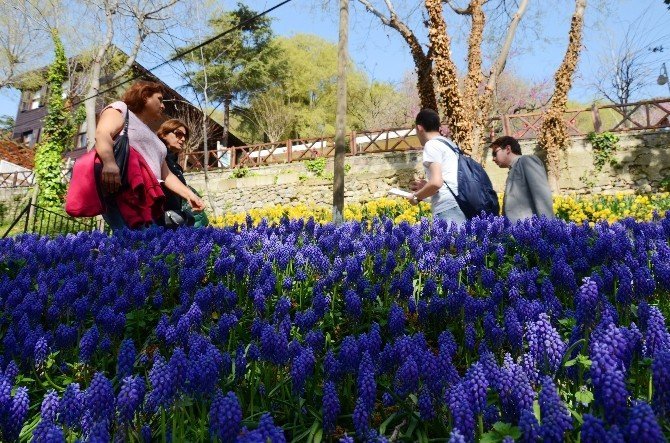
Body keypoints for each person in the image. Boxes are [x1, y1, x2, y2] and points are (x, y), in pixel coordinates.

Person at [95, 81, 205, 230]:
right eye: (159, 99)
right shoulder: (121, 109)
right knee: (135, 242)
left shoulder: (152, 135)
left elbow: (166, 174)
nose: (163, 106)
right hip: (123, 189)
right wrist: (109, 163)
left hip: (148, 198)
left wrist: (189, 194)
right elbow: (103, 133)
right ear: (145, 96)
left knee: (147, 245)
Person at [408, 108, 467, 223]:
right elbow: (447, 179)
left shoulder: (431, 145)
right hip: (461, 203)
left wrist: (416, 197)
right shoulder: (449, 144)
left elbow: (436, 182)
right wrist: (426, 186)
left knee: (450, 241)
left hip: (448, 208)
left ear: (419, 128)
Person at [490, 135, 554, 223]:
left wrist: (549, 228)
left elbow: (542, 196)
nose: (493, 159)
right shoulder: (514, 168)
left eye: (495, 153)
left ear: (508, 149)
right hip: (517, 233)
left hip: (531, 231)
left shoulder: (527, 161)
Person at [156, 119, 208, 227]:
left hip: (174, 216)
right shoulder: (157, 157)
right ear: (164, 134)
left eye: (185, 136)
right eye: (178, 134)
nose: (183, 139)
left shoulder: (175, 164)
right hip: (159, 218)